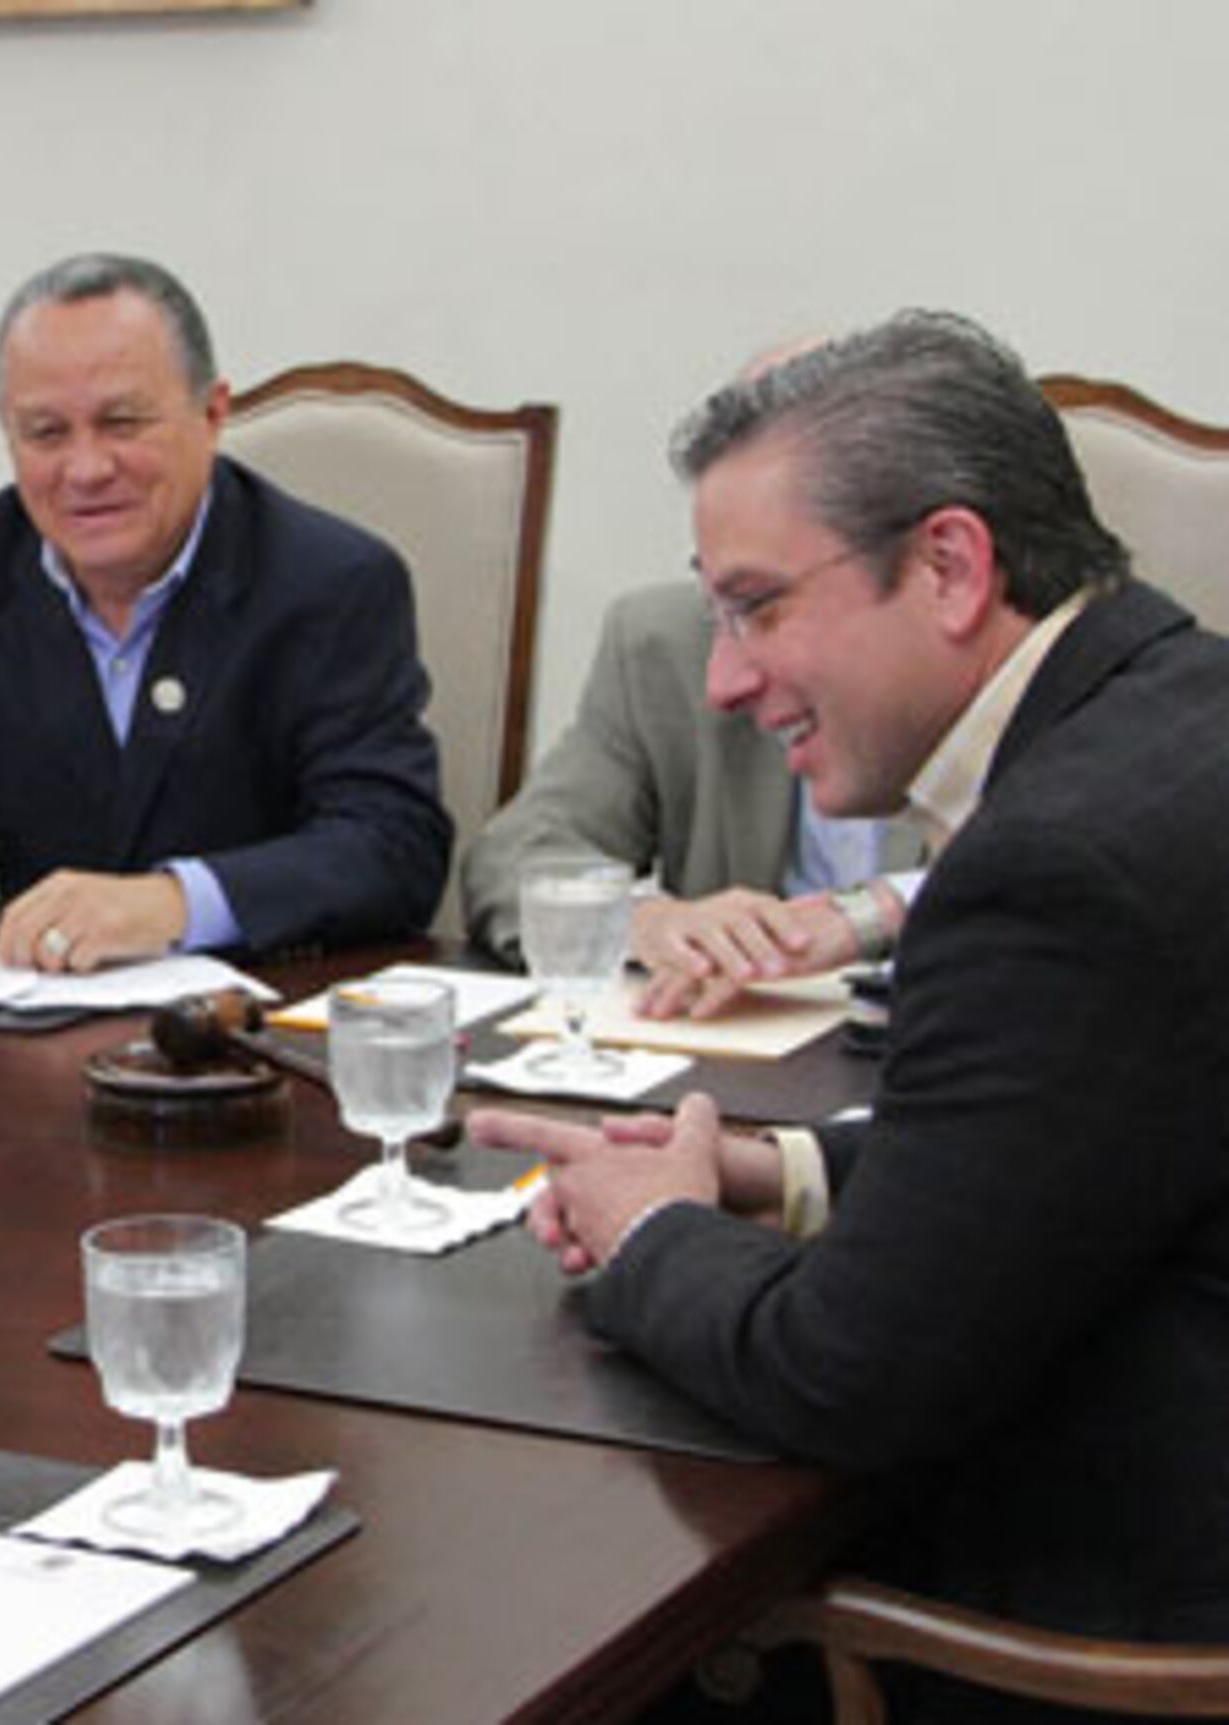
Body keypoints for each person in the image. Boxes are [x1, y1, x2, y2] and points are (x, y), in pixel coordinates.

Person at [471, 311, 1229, 1723]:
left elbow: (843, 1376)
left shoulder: (1050, 866)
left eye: (759, 606)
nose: (725, 678)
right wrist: (787, 1172)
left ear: (947, 566)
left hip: (1111, 1640)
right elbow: (1092, 1135)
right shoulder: (1178, 709)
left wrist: (652, 1234)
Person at [0, 253, 449, 971]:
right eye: (46, 433)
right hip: (31, 1038)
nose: (87, 469)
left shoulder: (331, 583)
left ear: (213, 413)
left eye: (123, 422)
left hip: (247, 1041)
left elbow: (391, 845)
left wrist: (172, 904)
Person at [460, 580, 922, 1017]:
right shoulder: (665, 641)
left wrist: (875, 914)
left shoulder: (960, 656)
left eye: (764, 606)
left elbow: (992, 890)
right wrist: (643, 921)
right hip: (744, 1058)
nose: (722, 685)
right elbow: (513, 853)